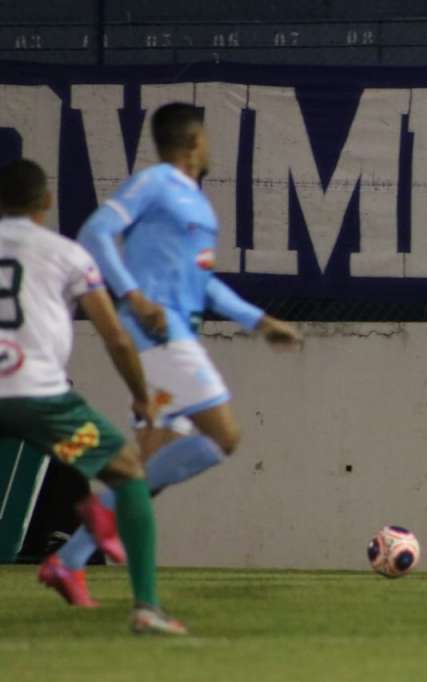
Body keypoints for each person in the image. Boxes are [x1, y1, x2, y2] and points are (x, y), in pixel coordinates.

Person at [42, 102, 302, 605]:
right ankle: (102, 512)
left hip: (178, 334)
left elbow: (203, 283)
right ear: (194, 141)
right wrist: (134, 297)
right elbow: (95, 232)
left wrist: (259, 321)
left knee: (148, 467)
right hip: (160, 334)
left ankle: (68, 561)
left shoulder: (194, 203)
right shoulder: (156, 182)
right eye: (208, 139)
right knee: (223, 436)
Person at [0, 158, 185, 633]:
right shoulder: (67, 254)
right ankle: (146, 607)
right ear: (46, 201)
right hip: (44, 407)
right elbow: (117, 338)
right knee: (126, 471)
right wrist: (141, 397)